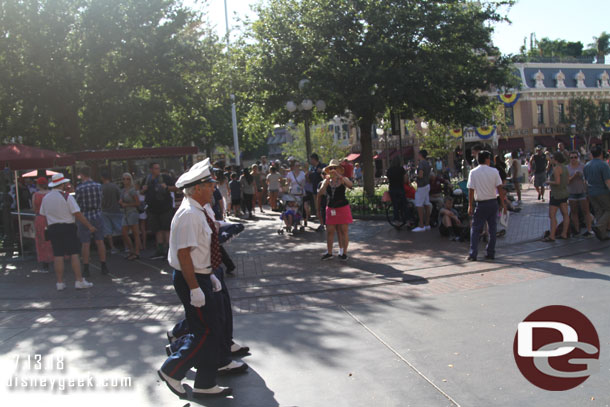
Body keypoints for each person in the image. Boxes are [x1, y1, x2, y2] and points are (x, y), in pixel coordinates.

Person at [157, 158, 233, 399]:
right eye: (210, 185)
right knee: (206, 332)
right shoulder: (190, 214)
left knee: (211, 329)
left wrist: (208, 275)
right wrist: (195, 288)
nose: (214, 188)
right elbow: (184, 255)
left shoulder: (197, 210)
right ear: (198, 188)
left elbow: (198, 251)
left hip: (200, 275)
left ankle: (205, 382)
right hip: (191, 278)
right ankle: (172, 370)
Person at [40, 173, 95, 290]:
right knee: (74, 254)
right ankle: (79, 280)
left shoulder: (46, 198)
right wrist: (89, 226)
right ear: (62, 184)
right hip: (68, 227)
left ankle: (59, 282)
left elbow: (43, 214)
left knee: (58, 255)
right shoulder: (67, 197)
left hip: (53, 228)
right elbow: (77, 214)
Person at [467, 151, 507, 261]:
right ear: (486, 159)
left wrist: (470, 205)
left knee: (475, 229)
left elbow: (471, 190)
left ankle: (473, 253)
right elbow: (499, 188)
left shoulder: (473, 172)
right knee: (492, 229)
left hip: (481, 204)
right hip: (493, 203)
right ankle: (490, 252)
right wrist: (503, 204)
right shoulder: (494, 171)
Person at [75, 167, 109, 276]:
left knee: (85, 243)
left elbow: (77, 204)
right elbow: (101, 200)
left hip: (84, 216)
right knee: (100, 241)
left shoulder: (79, 188)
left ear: (81, 174)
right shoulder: (98, 186)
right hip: (98, 215)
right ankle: (103, 265)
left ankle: (86, 268)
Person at [318, 159, 353, 260]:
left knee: (343, 231)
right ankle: (329, 252)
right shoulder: (327, 180)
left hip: (342, 207)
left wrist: (340, 176)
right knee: (330, 231)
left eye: (335, 168)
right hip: (331, 208)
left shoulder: (343, 179)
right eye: (331, 168)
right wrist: (325, 182)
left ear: (339, 169)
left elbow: (350, 185)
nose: (333, 170)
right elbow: (320, 192)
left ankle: (344, 253)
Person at [143, 162, 176, 259]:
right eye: (155, 168)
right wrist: (143, 189)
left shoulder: (165, 177)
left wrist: (167, 187)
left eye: (158, 168)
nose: (157, 170)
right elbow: (140, 191)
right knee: (157, 230)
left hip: (165, 208)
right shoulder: (147, 179)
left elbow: (176, 188)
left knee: (166, 229)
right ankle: (160, 250)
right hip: (153, 209)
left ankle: (169, 250)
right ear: (151, 169)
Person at [583, 145, 610, 241]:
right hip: (602, 191)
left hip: (591, 192)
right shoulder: (603, 165)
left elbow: (585, 181)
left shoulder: (587, 165)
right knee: (608, 209)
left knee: (599, 211)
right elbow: (607, 181)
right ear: (601, 154)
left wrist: (586, 193)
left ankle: (601, 234)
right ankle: (599, 226)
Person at [543, 152, 570, 241]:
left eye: (552, 158)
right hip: (564, 193)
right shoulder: (565, 168)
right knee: (565, 214)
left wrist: (548, 182)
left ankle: (552, 236)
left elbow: (557, 182)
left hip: (556, 194)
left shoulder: (557, 168)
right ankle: (564, 234)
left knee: (552, 215)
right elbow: (567, 181)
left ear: (556, 159)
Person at [567, 152, 593, 237]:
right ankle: (577, 230)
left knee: (586, 211)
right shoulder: (567, 168)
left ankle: (589, 230)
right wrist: (574, 176)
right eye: (571, 157)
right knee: (574, 211)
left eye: (575, 157)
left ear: (578, 157)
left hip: (582, 191)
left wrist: (581, 176)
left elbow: (588, 178)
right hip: (572, 192)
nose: (573, 159)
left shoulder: (583, 166)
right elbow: (567, 181)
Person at [32, 177, 53, 272]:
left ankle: (45, 262)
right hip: (50, 218)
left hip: (40, 218)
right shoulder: (51, 194)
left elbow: (34, 208)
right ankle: (55, 257)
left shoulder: (35, 195)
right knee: (52, 238)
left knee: (41, 239)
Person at [100, 170, 123, 255]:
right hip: (115, 210)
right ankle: (127, 246)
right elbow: (120, 198)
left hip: (105, 211)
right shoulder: (115, 186)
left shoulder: (101, 188)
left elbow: (100, 200)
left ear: (102, 178)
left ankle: (112, 247)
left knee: (108, 231)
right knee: (121, 228)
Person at [120, 173, 141, 260]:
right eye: (124, 179)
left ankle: (136, 252)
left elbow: (138, 203)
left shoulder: (132, 190)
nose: (126, 181)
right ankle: (131, 250)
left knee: (135, 233)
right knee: (124, 233)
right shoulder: (123, 190)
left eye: (128, 179)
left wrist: (126, 204)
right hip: (125, 213)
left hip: (132, 212)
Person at [412, 149, 432, 232]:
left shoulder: (421, 163)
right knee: (427, 203)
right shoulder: (427, 163)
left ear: (420, 155)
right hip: (427, 184)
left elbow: (420, 175)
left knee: (419, 204)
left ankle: (421, 225)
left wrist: (414, 175)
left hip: (421, 186)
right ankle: (427, 224)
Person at [386, 156, 408, 222]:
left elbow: (387, 179)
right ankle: (406, 219)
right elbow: (405, 180)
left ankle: (396, 220)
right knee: (404, 204)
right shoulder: (401, 169)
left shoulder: (389, 170)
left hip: (392, 189)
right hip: (400, 188)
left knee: (395, 205)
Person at [309, 153, 325, 230]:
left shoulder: (322, 166)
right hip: (315, 190)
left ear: (314, 159)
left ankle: (326, 223)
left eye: (311, 159)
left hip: (323, 191)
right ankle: (321, 224)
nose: (310, 161)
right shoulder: (312, 168)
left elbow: (328, 174)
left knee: (323, 207)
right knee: (317, 208)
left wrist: (321, 171)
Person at [135, 180, 148, 250]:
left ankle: (140, 245)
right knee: (143, 228)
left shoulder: (137, 192)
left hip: (138, 210)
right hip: (143, 210)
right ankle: (144, 244)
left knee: (138, 228)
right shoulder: (143, 193)